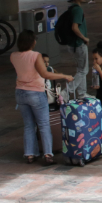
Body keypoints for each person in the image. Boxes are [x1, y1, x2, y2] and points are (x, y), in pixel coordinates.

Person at [10, 30, 73, 165]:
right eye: (34, 40)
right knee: (44, 124)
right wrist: (64, 75)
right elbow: (45, 74)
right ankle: (48, 155)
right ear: (31, 42)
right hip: (36, 93)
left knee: (28, 125)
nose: (35, 42)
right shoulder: (35, 56)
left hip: (20, 93)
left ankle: (30, 154)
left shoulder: (13, 56)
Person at [67, 0, 91, 99]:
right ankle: (67, 91)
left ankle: (82, 93)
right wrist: (84, 38)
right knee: (83, 70)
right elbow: (74, 27)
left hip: (73, 44)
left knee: (80, 69)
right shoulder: (77, 10)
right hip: (79, 43)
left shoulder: (71, 8)